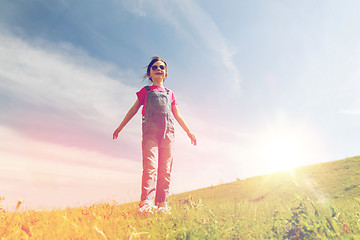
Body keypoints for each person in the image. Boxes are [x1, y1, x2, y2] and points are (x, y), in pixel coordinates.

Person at [113, 56, 196, 214]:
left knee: (165, 169)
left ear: (165, 74)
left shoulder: (170, 93)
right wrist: (120, 127)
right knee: (150, 167)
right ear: (149, 73)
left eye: (162, 67)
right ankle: (146, 204)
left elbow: (177, 114)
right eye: (155, 67)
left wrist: (189, 132)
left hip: (168, 134)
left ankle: (162, 204)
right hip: (150, 133)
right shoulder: (146, 91)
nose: (159, 69)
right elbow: (133, 110)